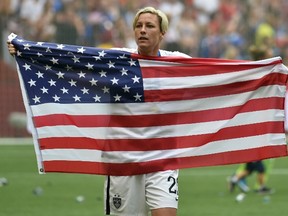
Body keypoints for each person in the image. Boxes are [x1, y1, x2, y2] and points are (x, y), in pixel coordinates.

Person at [7, 6, 190, 216]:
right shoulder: (118, 60)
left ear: (162, 33)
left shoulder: (178, 63)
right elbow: (72, 60)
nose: (142, 30)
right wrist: (28, 53)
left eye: (149, 26)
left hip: (162, 157)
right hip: (124, 158)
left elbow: (216, 72)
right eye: (138, 26)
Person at [228, 44, 275, 195]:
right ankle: (239, 180)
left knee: (256, 161)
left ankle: (240, 180)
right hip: (254, 121)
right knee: (257, 160)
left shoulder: (254, 71)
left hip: (254, 118)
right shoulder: (261, 72)